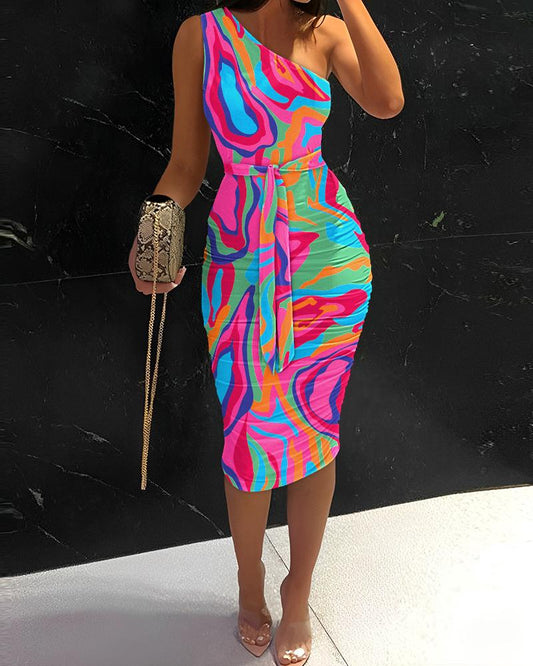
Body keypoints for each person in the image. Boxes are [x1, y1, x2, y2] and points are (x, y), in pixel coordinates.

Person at [129, 1, 403, 663]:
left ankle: (297, 590)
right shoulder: (201, 36)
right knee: (249, 435)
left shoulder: (327, 32)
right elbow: (186, 165)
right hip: (241, 259)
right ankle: (249, 581)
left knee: (315, 428)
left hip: (327, 259)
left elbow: (387, 101)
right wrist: (156, 228)